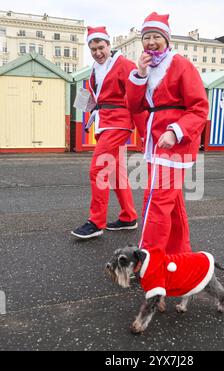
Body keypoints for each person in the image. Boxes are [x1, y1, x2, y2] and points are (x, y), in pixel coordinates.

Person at [126, 12, 209, 254]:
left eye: (156, 36)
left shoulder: (181, 65)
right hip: (155, 144)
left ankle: (147, 257)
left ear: (166, 39)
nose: (150, 42)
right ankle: (181, 253)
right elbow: (134, 105)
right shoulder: (146, 67)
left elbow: (199, 107)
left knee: (156, 201)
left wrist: (176, 132)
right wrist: (140, 75)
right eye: (146, 37)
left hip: (175, 144)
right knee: (172, 204)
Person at [72, 26, 140, 239]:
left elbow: (138, 91)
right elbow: (94, 97)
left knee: (98, 169)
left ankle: (96, 222)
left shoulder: (124, 64)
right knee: (115, 173)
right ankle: (129, 216)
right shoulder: (94, 69)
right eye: (93, 49)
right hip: (103, 122)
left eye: (101, 47)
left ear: (109, 45)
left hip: (118, 122)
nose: (97, 52)